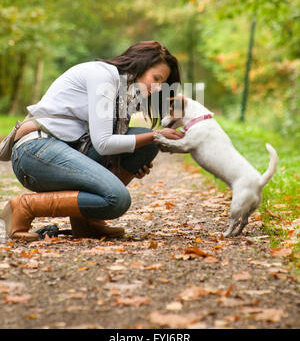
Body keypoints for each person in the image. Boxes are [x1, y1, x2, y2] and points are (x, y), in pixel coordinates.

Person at [1, 41, 184, 241]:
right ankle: (24, 206)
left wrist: (132, 160)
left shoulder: (125, 93)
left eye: (162, 84)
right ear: (139, 65)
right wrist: (157, 134)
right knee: (118, 199)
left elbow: (113, 142)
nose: (158, 88)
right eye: (156, 79)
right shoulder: (104, 77)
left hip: (68, 147)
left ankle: (86, 221)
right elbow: (103, 143)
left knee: (146, 144)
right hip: (36, 150)